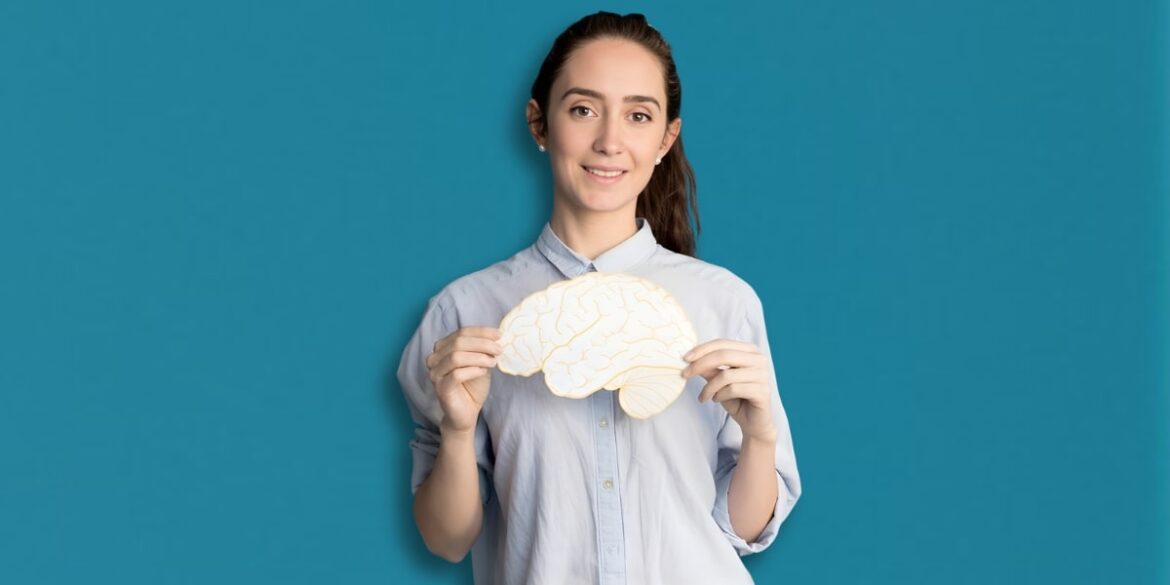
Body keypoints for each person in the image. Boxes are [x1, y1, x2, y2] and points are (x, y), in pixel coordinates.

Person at [397, 11, 801, 585]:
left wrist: (761, 436)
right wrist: (459, 431)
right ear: (540, 124)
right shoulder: (465, 312)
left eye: (638, 116)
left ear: (665, 139)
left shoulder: (723, 302)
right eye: (583, 109)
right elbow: (446, 539)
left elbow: (746, 530)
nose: (610, 141)